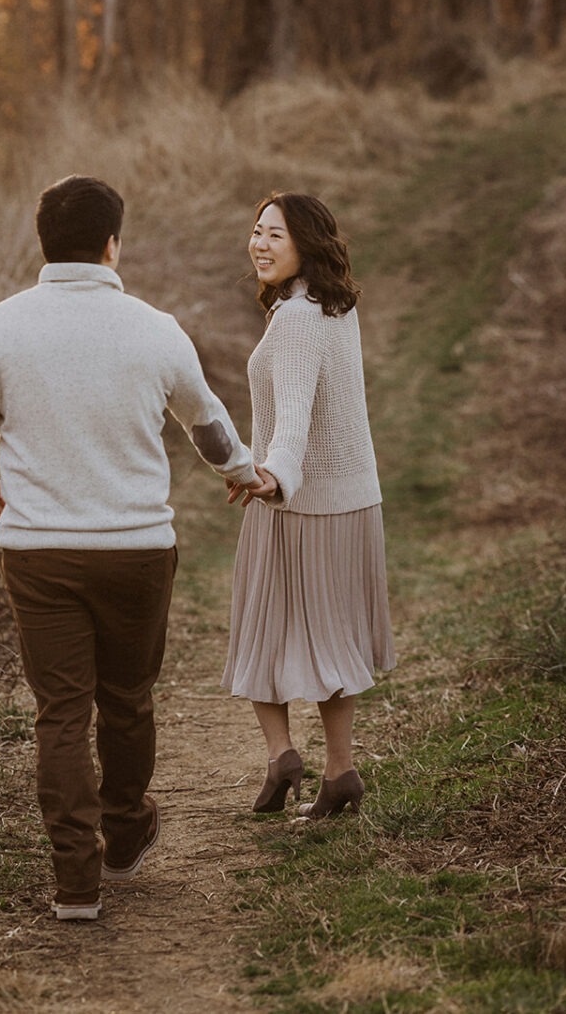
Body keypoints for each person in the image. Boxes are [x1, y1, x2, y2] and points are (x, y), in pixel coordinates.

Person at [0, 175, 272, 920]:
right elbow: (208, 423)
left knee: (61, 712)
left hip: (39, 553)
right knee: (126, 699)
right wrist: (240, 472)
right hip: (135, 550)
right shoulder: (153, 327)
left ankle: (75, 882)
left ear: (43, 241)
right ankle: (125, 834)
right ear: (111, 243)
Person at [221, 193, 395, 820]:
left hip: (297, 501)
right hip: (352, 501)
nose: (260, 244)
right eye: (256, 231)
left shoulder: (295, 319)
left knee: (262, 632)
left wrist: (274, 476)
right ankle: (340, 769)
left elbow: (293, 415)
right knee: (335, 640)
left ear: (306, 246)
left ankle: (282, 757)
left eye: (276, 235)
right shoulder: (333, 308)